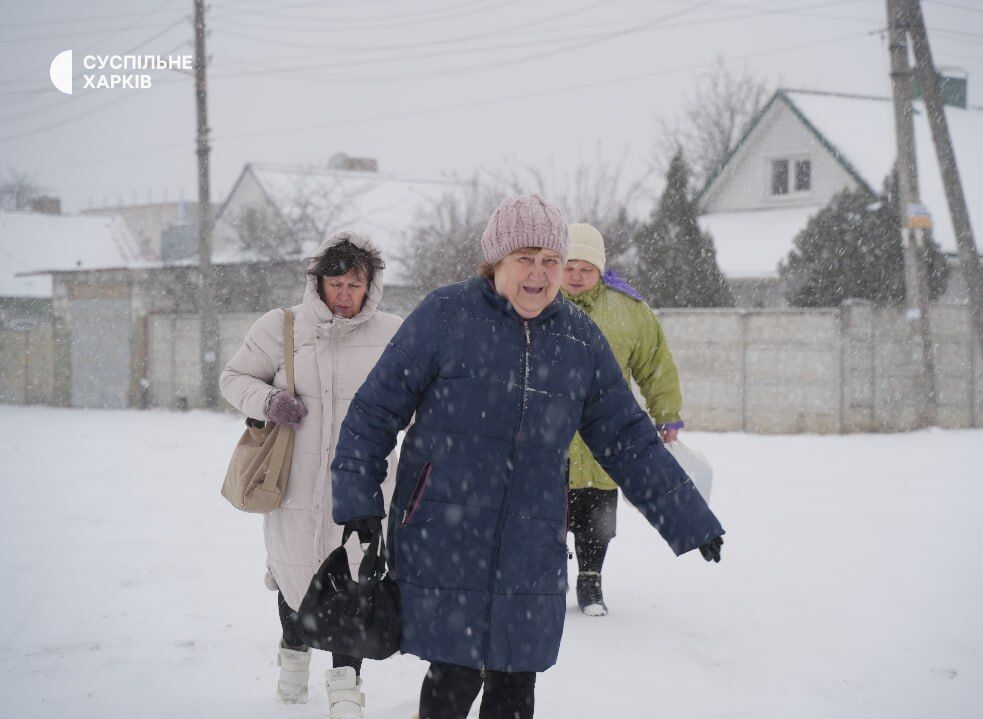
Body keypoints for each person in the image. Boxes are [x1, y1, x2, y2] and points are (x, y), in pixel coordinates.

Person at [331, 195, 726, 719]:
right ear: (495, 261)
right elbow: (374, 412)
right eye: (525, 258)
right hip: (443, 535)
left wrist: (689, 517)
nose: (538, 274)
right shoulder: (445, 315)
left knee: (516, 684)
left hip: (531, 543)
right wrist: (360, 504)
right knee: (453, 676)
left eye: (550, 261)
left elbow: (628, 437)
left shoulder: (579, 340)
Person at [219, 231, 403, 719]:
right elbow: (233, 378)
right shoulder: (281, 327)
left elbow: (422, 398)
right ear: (317, 282)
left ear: (371, 285)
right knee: (292, 575)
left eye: (354, 285)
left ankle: (346, 687)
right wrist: (269, 402)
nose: (344, 295)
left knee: (357, 580)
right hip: (293, 483)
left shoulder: (394, 333)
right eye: (335, 283)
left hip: (364, 486)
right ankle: (293, 663)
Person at [560, 222, 685, 616]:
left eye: (586, 268)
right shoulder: (538, 304)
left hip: (606, 434)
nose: (577, 276)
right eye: (569, 266)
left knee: (597, 513)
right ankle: (549, 575)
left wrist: (667, 415)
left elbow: (655, 365)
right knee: (546, 510)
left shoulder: (629, 311)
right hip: (551, 434)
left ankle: (591, 579)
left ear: (600, 270)